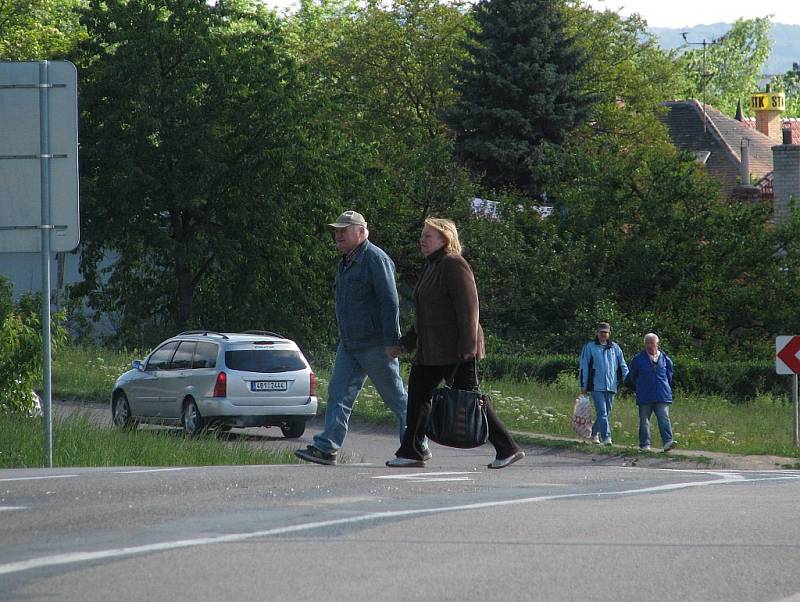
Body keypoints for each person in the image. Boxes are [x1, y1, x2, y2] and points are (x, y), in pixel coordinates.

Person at [386, 217, 524, 469]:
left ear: (444, 239)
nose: (422, 240)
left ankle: (508, 448)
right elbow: (426, 314)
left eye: (428, 235)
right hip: (431, 351)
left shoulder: (453, 264)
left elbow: (469, 308)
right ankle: (411, 450)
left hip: (456, 350)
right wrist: (406, 344)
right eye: (422, 235)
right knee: (418, 398)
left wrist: (468, 347)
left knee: (470, 399)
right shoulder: (432, 267)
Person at [295, 210, 408, 466]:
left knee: (397, 399)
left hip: (376, 344)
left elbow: (390, 302)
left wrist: (392, 342)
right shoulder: (346, 260)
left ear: (361, 231)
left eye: (343, 231)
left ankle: (415, 446)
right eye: (336, 231)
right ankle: (327, 448)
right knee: (337, 395)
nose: (338, 235)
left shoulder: (376, 259)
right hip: (350, 344)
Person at [579, 322, 629, 446]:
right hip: (596, 385)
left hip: (611, 385)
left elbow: (623, 364)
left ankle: (594, 433)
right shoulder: (589, 347)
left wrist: (628, 378)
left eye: (605, 332)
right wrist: (583, 385)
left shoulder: (615, 347)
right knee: (602, 412)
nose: (603, 334)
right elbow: (583, 367)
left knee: (606, 412)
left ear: (609, 333)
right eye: (601, 332)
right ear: (597, 333)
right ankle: (607, 437)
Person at [628, 333, 677, 452]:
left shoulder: (665, 358)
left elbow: (669, 374)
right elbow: (632, 376)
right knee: (644, 420)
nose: (649, 345)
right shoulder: (638, 359)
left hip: (662, 394)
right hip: (645, 394)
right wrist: (641, 385)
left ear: (657, 344)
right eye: (647, 343)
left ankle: (667, 442)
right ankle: (645, 445)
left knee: (664, 418)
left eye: (652, 343)